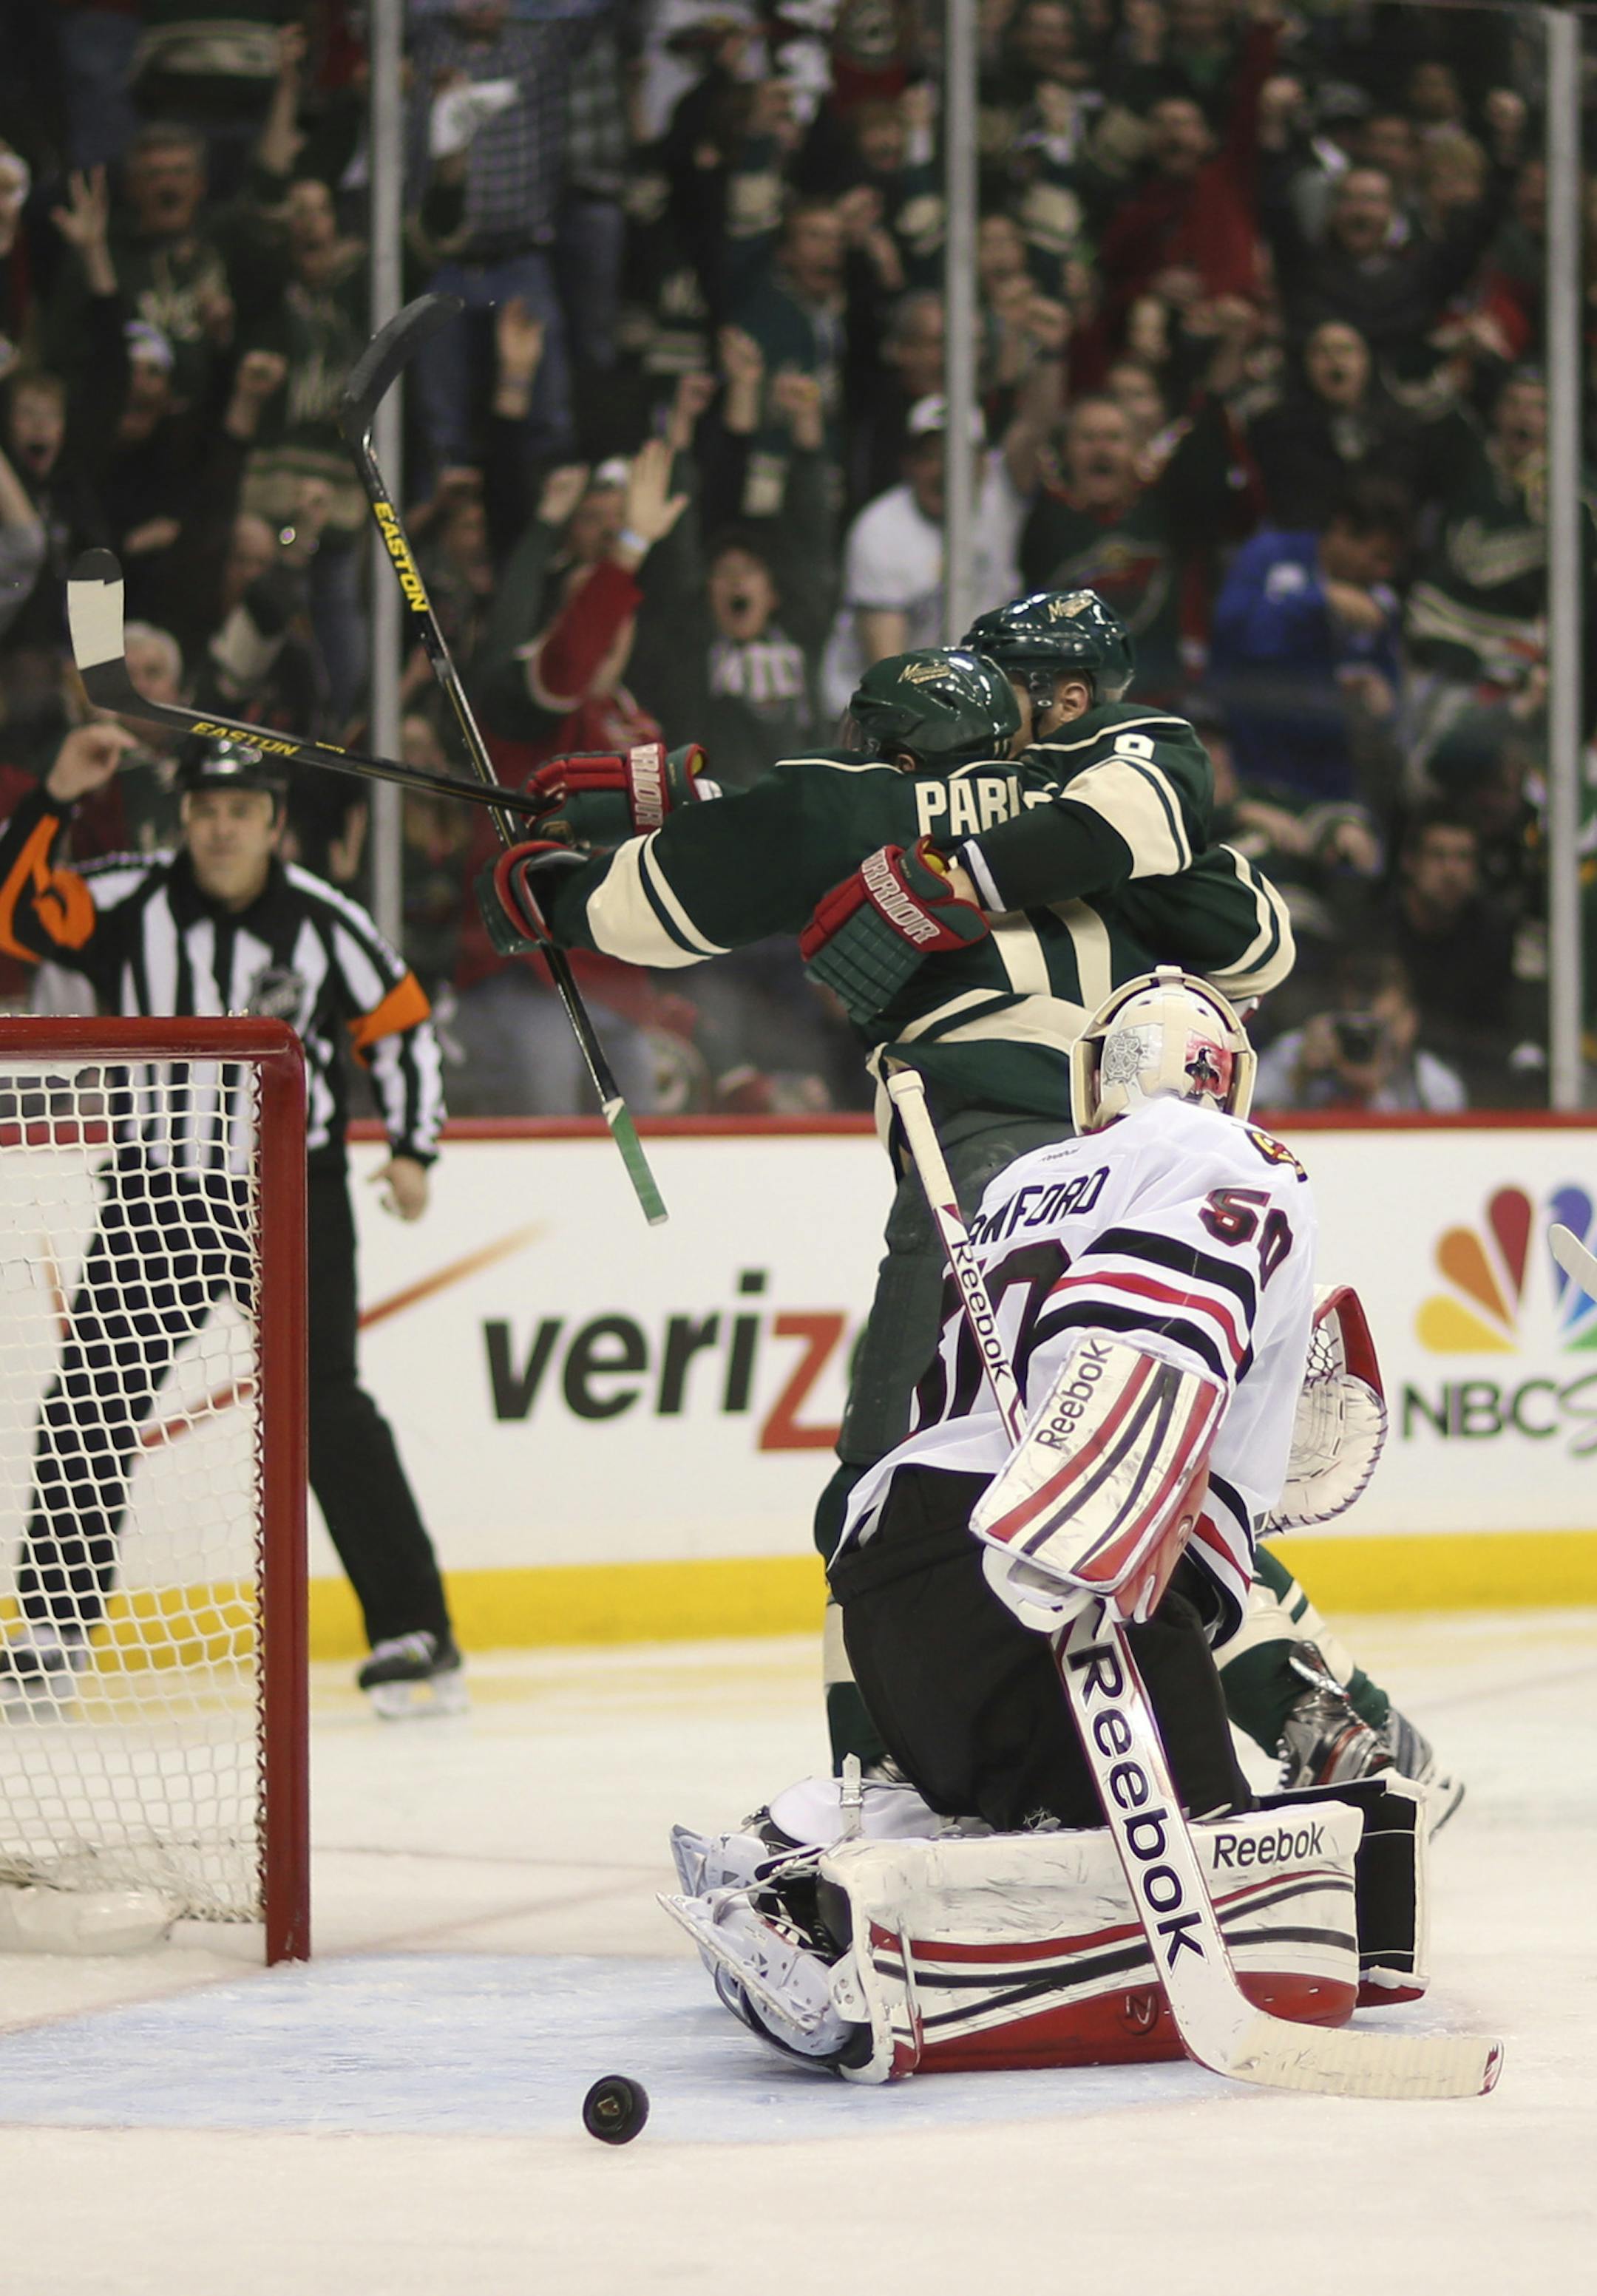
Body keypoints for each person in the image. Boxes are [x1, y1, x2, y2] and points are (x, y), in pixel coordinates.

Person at [476, 594, 1297, 1764]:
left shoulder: (860, 799)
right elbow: (1260, 939)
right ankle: (1332, 1714)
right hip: (1156, 1158)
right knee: (1136, 1468)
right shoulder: (1118, 809)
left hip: (998, 1161)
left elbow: (672, 899)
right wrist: (695, 803)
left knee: (876, 1486)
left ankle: (872, 1785)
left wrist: (552, 891)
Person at [664, 971, 1423, 2068]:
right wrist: (1098, 1501)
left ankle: (797, 1853)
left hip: (896, 1580)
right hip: (1044, 1558)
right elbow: (1140, 1306)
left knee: (1050, 1828)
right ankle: (849, 1930)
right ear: (1228, 1076)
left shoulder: (1030, 1180)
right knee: (1234, 1883)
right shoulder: (1237, 1157)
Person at [0, 729, 462, 1716]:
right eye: (206, 811)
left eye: (242, 812)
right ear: (184, 819)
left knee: (327, 1409)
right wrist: (55, 796)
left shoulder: (326, 920)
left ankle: (415, 1632)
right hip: (157, 1191)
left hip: (291, 1192)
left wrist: (415, 1148)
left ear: (274, 824)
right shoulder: (125, 899)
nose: (221, 830)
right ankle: (51, 1626)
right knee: (89, 1399)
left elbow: (403, 1020)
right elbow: (12, 916)